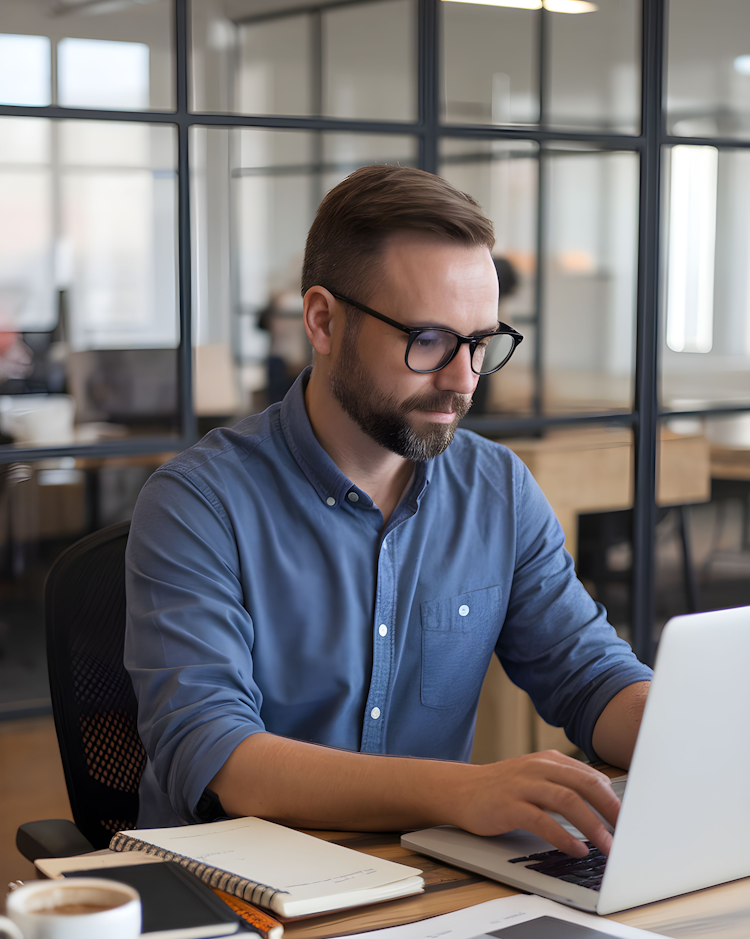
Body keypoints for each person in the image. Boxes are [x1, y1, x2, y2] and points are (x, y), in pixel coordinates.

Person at [125, 165, 651, 857]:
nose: (463, 379)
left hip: (428, 880)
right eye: (427, 340)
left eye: (480, 343)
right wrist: (461, 791)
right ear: (323, 321)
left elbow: (590, 676)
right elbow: (218, 753)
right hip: (234, 889)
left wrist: (689, 731)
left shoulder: (497, 488)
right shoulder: (198, 501)